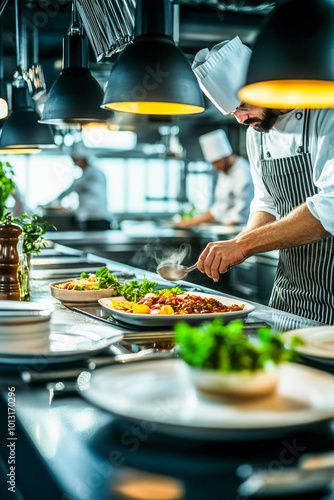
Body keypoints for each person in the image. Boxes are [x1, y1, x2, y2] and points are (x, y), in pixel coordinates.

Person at [192, 36, 334, 324]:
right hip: (289, 294)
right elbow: (266, 202)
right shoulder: (255, 134)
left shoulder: (324, 110)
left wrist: (245, 245)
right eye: (233, 113)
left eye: (244, 106)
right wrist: (238, 244)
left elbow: (330, 206)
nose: (241, 119)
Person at [179, 129, 253, 228]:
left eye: (217, 162)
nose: (215, 167)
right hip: (225, 229)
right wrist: (193, 222)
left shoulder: (244, 175)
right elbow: (219, 209)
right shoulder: (225, 171)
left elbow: (238, 218)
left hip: (239, 231)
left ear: (227, 157)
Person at [47, 143, 110, 230]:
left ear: (82, 159)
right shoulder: (87, 174)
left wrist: (56, 204)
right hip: (90, 219)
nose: (74, 163)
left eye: (75, 160)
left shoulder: (93, 173)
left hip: (98, 219)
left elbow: (74, 188)